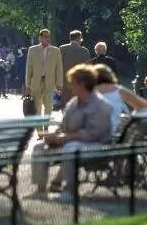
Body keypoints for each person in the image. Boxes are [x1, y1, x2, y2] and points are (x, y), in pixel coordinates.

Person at [30, 64, 112, 200]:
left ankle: (69, 191)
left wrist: (63, 138)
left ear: (83, 84)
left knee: (71, 149)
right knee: (39, 147)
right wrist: (53, 135)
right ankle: (40, 190)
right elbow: (63, 126)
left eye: (72, 83)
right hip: (70, 141)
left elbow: (92, 134)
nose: (70, 87)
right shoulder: (74, 103)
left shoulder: (100, 105)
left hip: (96, 145)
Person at [94, 64, 147, 134]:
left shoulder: (87, 91)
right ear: (110, 76)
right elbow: (146, 106)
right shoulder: (117, 90)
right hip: (113, 133)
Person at [25, 29, 63, 119]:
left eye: (48, 36)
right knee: (37, 107)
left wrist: (59, 84)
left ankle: (46, 127)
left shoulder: (55, 51)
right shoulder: (32, 50)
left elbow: (59, 69)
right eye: (45, 36)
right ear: (40, 38)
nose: (47, 38)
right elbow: (29, 68)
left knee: (49, 107)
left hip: (50, 83)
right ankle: (39, 130)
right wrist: (28, 84)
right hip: (36, 83)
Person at [59, 30, 91, 105]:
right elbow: (88, 68)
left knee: (65, 105)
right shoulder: (85, 51)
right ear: (78, 38)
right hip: (79, 83)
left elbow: (58, 65)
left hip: (65, 82)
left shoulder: (62, 49)